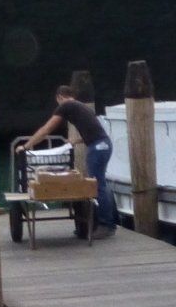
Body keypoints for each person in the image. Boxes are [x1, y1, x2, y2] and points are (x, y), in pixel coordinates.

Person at [20, 85, 116, 237]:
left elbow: (47, 129)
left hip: (97, 147)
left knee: (98, 185)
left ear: (60, 97)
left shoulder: (66, 106)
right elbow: (93, 130)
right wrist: (75, 140)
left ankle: (106, 225)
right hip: (103, 144)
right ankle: (100, 223)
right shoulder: (81, 107)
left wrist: (27, 145)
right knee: (99, 183)